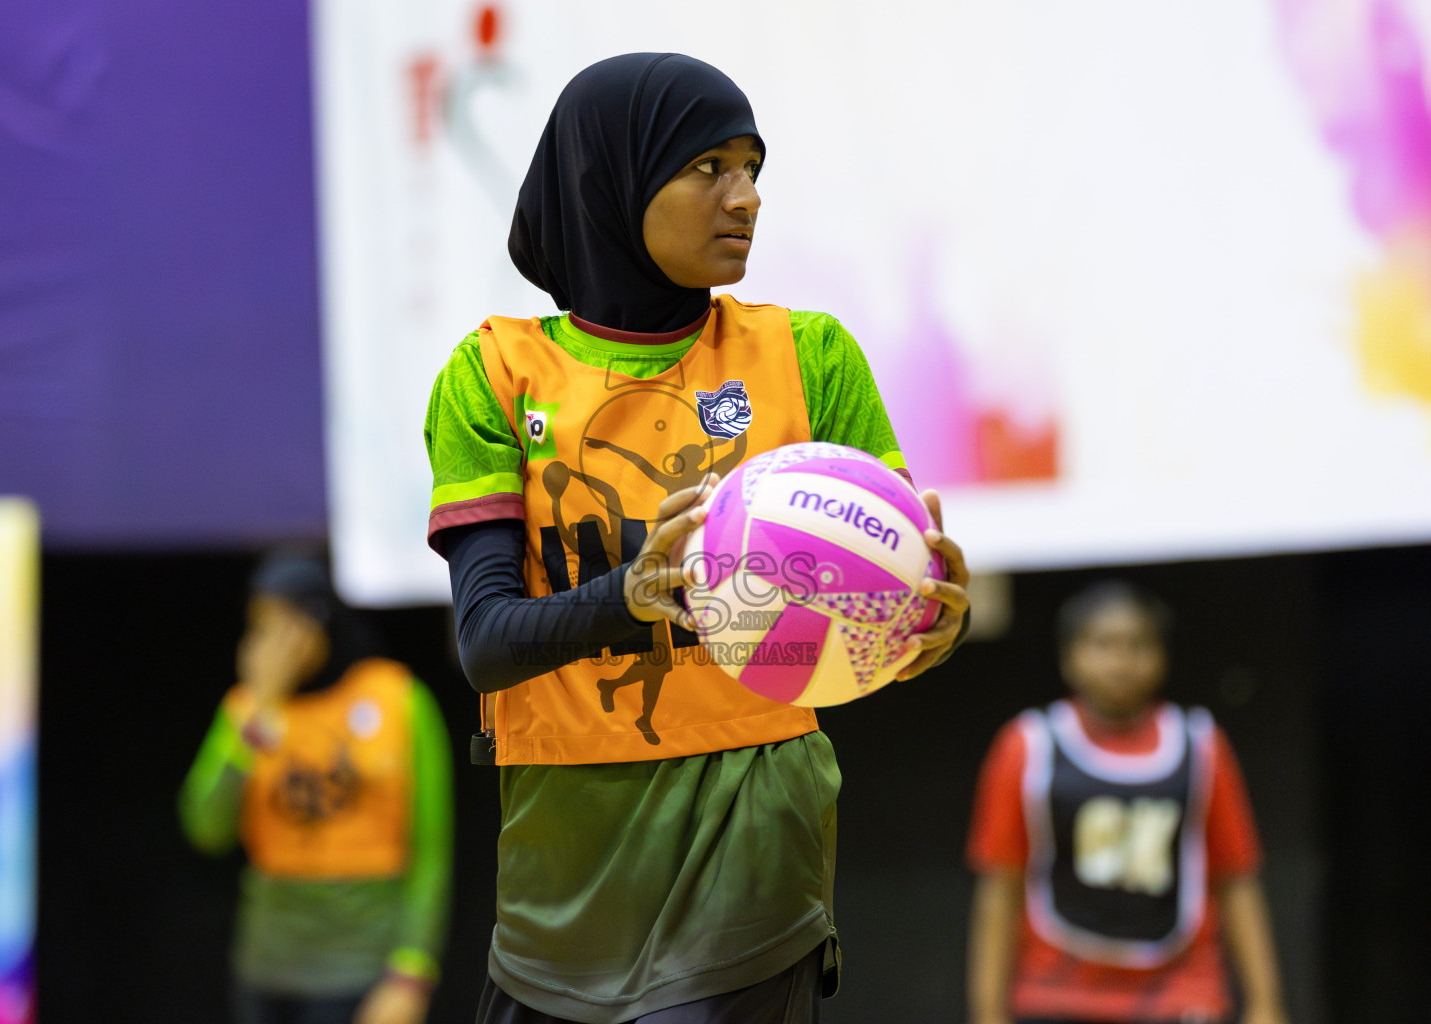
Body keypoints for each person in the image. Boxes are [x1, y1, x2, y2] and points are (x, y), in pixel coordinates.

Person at [422, 53, 971, 1023]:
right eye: (707, 167)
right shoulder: (494, 373)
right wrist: (623, 597)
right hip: (563, 876)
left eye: (754, 167)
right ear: (614, 178)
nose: (745, 197)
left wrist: (927, 626)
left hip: (753, 848)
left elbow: (882, 620)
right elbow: (486, 643)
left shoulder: (809, 354)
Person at [965, 582, 1289, 1024]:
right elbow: (999, 887)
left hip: (1179, 994)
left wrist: (1266, 1006)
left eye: (1138, 645)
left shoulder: (1201, 745)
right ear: (1068, 656)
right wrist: (987, 1013)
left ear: (1163, 657)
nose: (1121, 661)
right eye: (1103, 644)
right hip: (1056, 994)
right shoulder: (1027, 746)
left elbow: (1236, 878)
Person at [179, 549, 454, 1024]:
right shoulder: (247, 710)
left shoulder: (397, 699)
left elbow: (431, 853)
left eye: (284, 625)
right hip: (266, 973)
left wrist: (410, 973)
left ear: (319, 619)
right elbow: (206, 828)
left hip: (359, 976)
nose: (272, 646)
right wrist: (258, 716)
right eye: (260, 628)